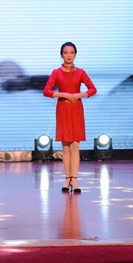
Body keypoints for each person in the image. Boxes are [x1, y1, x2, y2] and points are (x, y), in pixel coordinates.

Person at [44, 42, 97, 194]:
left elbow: (93, 89)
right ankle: (67, 179)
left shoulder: (80, 72)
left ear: (75, 54)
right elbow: (47, 91)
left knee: (75, 145)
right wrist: (64, 94)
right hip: (63, 109)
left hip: (76, 109)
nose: (69, 55)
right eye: (66, 52)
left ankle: (75, 179)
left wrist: (79, 95)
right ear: (62, 55)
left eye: (71, 52)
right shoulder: (56, 72)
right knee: (65, 146)